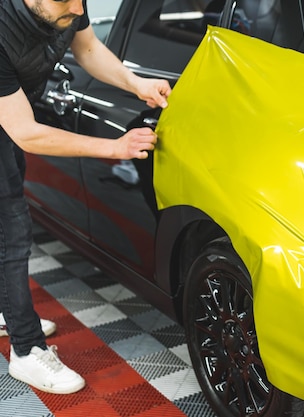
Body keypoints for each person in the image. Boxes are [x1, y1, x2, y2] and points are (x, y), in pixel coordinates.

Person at [0, 0, 171, 394]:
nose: (77, 7)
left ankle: (9, 308)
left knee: (9, 224)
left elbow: (88, 48)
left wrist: (136, 84)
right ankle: (25, 351)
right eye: (65, 1)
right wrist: (115, 148)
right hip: (10, 120)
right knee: (12, 230)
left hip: (10, 114)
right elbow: (26, 132)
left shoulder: (69, 5)